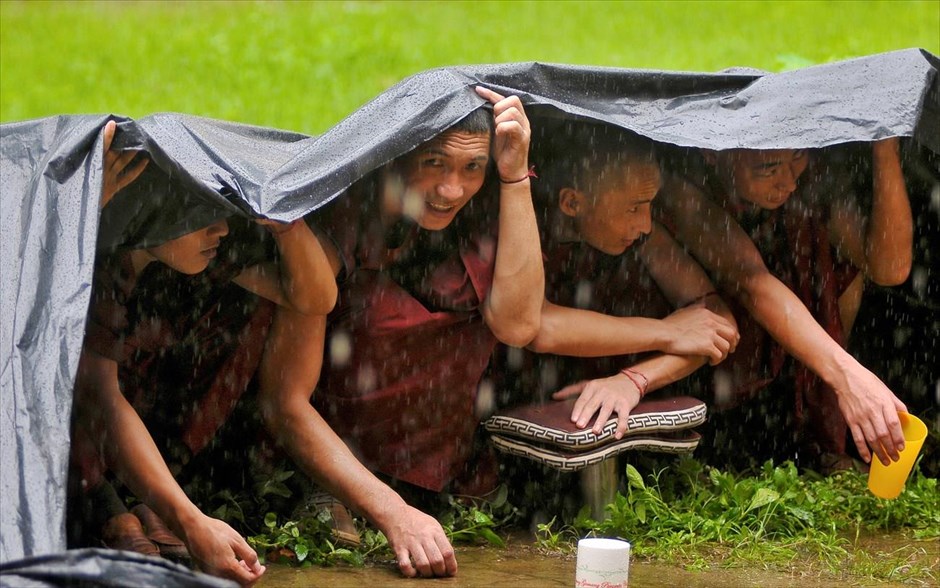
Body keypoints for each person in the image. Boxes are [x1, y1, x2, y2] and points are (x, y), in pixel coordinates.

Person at [256, 86, 543, 578]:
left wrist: (514, 176)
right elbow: (285, 402)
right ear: (397, 153)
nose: (451, 189)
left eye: (472, 168)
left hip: (439, 469)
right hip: (334, 457)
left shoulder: (480, 209)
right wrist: (392, 512)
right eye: (435, 162)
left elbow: (517, 324)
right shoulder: (341, 213)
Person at [71, 121, 337, 585]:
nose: (220, 229)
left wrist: (284, 220)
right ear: (152, 211)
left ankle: (149, 500)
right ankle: (105, 506)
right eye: (198, 215)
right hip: (75, 443)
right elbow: (100, 398)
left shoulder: (197, 258)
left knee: (243, 318)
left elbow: (315, 299)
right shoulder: (98, 265)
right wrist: (193, 525)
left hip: (148, 419)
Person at [658, 138, 912, 470]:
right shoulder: (679, 181)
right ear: (711, 152)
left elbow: (889, 269)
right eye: (769, 168)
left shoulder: (812, 181)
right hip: (718, 375)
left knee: (841, 264)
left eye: (797, 157)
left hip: (802, 349)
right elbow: (751, 280)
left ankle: (810, 434)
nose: (789, 181)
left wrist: (884, 147)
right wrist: (848, 377)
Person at [496, 123, 739, 437]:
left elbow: (715, 321)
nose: (647, 224)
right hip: (525, 395)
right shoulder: (522, 228)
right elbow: (538, 328)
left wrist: (635, 380)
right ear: (571, 204)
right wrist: (669, 332)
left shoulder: (640, 237)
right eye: (634, 207)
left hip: (624, 394)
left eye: (650, 204)